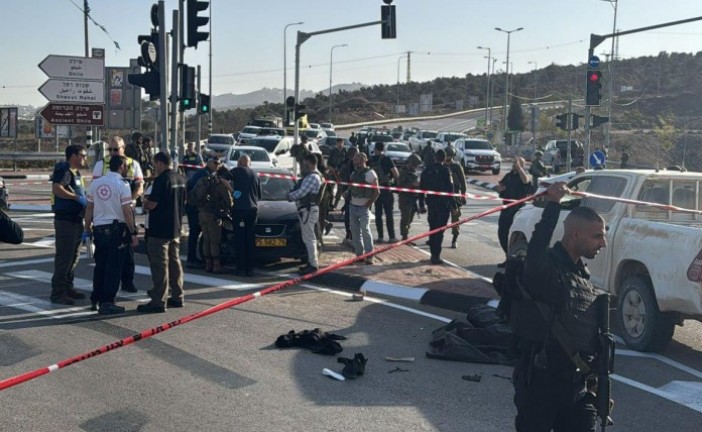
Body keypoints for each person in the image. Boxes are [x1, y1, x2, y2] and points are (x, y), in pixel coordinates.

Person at [514, 181, 607, 432]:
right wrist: (553, 204)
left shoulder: (582, 278)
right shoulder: (546, 271)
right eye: (597, 236)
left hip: (577, 388)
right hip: (541, 387)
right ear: (576, 234)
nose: (603, 243)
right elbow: (536, 247)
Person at [84, 155, 138, 314]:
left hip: (99, 231)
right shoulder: (123, 185)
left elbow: (89, 208)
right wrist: (133, 231)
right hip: (117, 231)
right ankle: (107, 301)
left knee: (100, 265)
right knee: (113, 267)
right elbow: (127, 211)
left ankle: (96, 298)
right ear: (121, 167)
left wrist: (87, 227)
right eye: (126, 166)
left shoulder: (95, 183)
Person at [92, 136, 144, 294]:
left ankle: (127, 281)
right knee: (106, 257)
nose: (113, 152)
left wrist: (131, 200)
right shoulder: (101, 164)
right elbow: (95, 188)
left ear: (123, 149)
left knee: (128, 250)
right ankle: (104, 292)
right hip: (107, 214)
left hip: (126, 210)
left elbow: (140, 186)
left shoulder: (132, 164)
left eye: (116, 149)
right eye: (110, 149)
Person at [138, 152, 186, 313]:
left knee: (160, 266)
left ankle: (158, 300)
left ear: (159, 163)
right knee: (175, 263)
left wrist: (144, 202)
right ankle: (178, 296)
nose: (154, 167)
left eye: (154, 164)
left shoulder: (161, 180)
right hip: (176, 228)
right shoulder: (180, 179)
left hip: (159, 230)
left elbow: (152, 204)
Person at [50, 144, 88, 305]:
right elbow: (57, 188)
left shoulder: (76, 173)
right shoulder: (64, 170)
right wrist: (75, 198)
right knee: (64, 258)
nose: (85, 158)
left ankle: (68, 286)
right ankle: (58, 293)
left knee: (74, 257)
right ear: (74, 156)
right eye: (83, 155)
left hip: (76, 220)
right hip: (65, 221)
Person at [287, 153, 323, 275]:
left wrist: (289, 196)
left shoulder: (313, 177)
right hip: (307, 210)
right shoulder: (312, 176)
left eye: (306, 164)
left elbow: (301, 193)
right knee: (308, 238)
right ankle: (311, 262)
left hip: (307, 210)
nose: (303, 166)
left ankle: (313, 265)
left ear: (312, 164)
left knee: (309, 239)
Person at [195, 165, 234, 273]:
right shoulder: (221, 185)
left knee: (206, 239)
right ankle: (216, 265)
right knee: (215, 241)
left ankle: (208, 264)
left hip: (202, 213)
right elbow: (230, 202)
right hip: (213, 215)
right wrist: (230, 189)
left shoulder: (208, 181)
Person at [184, 156, 220, 268]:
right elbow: (203, 193)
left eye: (218, 163)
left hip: (192, 205)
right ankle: (192, 259)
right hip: (195, 207)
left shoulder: (203, 173)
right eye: (215, 163)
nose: (217, 165)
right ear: (209, 163)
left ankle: (194, 258)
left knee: (196, 232)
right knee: (195, 232)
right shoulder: (204, 174)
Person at [420, 149, 454, 265]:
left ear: (435, 158)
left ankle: (433, 255)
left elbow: (421, 189)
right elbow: (450, 189)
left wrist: (421, 204)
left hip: (431, 203)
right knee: (439, 231)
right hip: (443, 205)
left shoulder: (427, 171)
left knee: (432, 229)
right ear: (444, 159)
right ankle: (436, 256)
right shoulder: (446, 171)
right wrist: (453, 206)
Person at [496, 157, 531, 267]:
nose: (514, 164)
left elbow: (526, 181)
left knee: (514, 235)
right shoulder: (509, 176)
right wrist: (499, 189)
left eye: (517, 163)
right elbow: (500, 187)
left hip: (518, 210)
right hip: (506, 209)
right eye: (514, 163)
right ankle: (508, 256)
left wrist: (520, 168)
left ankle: (513, 260)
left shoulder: (523, 176)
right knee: (502, 233)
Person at [230, 155, 261, 277]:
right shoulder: (255, 174)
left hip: (240, 211)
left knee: (240, 239)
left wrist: (232, 192)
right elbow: (259, 195)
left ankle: (240, 268)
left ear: (239, 162)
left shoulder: (236, 171)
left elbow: (222, 178)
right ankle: (250, 269)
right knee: (250, 239)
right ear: (249, 163)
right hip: (252, 210)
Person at [347, 152, 380, 263]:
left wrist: (369, 203)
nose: (357, 161)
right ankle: (359, 255)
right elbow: (351, 188)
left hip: (363, 207)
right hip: (353, 206)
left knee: (365, 230)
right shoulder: (353, 174)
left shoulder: (370, 174)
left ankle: (369, 255)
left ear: (365, 160)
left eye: (360, 159)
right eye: (356, 159)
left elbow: (376, 191)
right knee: (355, 232)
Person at [369, 141, 399, 243]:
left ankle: (380, 236)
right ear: (383, 149)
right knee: (388, 214)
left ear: (375, 149)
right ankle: (391, 237)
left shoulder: (372, 160)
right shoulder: (387, 159)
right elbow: (396, 174)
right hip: (386, 189)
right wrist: (394, 182)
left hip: (376, 189)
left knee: (378, 214)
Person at [444, 147, 467, 249]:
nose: (447, 157)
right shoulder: (442, 166)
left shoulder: (457, 167)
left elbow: (462, 181)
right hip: (443, 197)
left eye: (449, 155)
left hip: (455, 196)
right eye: (446, 155)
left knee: (455, 218)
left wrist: (463, 195)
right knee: (440, 218)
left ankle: (454, 239)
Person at [397, 153, 422, 242]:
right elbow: (400, 186)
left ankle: (406, 233)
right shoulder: (403, 173)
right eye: (414, 165)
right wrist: (411, 185)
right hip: (405, 198)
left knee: (410, 218)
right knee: (405, 218)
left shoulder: (414, 174)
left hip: (413, 199)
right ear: (410, 163)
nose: (415, 167)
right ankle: (404, 236)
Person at [338, 146, 359, 243]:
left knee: (348, 213)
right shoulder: (353, 165)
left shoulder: (345, 163)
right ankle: (351, 233)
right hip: (353, 192)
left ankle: (349, 233)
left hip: (348, 190)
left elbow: (340, 175)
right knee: (352, 213)